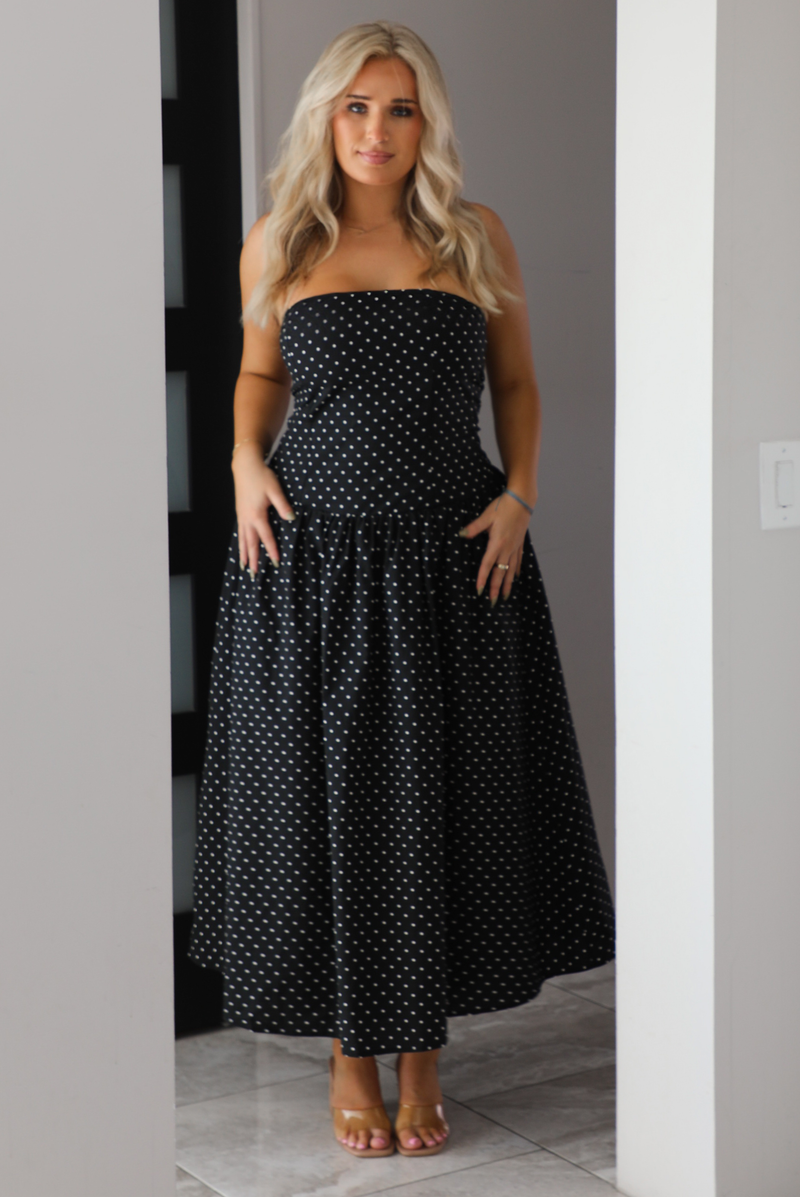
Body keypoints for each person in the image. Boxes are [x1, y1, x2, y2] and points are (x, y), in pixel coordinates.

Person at [188, 20, 615, 1160]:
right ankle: (349, 1055)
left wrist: (519, 496)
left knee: (448, 802)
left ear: (427, 123)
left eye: (400, 108)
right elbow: (259, 375)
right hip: (308, 563)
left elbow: (519, 383)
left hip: (452, 558)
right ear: (325, 118)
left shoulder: (473, 235)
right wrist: (239, 460)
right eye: (356, 107)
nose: (376, 131)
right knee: (328, 809)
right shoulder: (278, 238)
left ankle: (421, 1053)